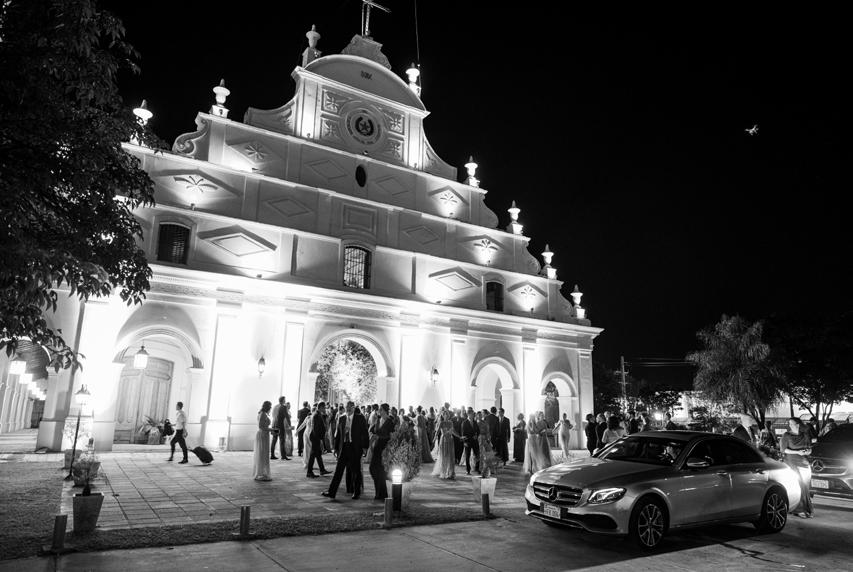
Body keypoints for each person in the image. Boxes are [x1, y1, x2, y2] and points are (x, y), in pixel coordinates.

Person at [322, 401, 370, 500]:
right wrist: (336, 448)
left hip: (354, 448)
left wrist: (365, 447)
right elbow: (338, 435)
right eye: (346, 407)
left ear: (353, 408)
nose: (348, 408)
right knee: (338, 471)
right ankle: (331, 492)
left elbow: (365, 433)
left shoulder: (360, 418)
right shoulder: (341, 418)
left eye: (350, 407)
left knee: (356, 471)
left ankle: (356, 492)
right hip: (343, 448)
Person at [780, 417, 814, 518]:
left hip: (804, 462)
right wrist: (797, 452)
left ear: (798, 425)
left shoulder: (805, 435)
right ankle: (798, 510)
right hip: (791, 462)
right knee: (798, 485)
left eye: (792, 423)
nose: (790, 425)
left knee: (805, 486)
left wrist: (807, 452)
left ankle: (806, 508)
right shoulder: (786, 435)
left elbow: (810, 448)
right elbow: (783, 450)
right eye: (789, 424)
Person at [369, 403, 394, 500]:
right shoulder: (378, 420)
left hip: (384, 447)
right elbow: (374, 432)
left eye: (381, 409)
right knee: (373, 469)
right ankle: (379, 492)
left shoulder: (390, 422)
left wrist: (388, 449)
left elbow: (392, 437)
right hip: (377, 446)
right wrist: (371, 444)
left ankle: (382, 494)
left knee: (381, 471)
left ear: (385, 410)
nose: (379, 411)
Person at [306, 402, 331, 478]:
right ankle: (309, 472)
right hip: (315, 437)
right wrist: (319, 439)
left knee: (318, 454)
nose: (325, 409)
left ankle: (322, 470)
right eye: (324, 407)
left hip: (316, 437)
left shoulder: (318, 414)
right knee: (313, 454)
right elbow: (315, 429)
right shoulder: (316, 415)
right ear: (320, 407)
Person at [432, 411, 459, 479]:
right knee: (444, 456)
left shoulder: (451, 422)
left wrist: (459, 436)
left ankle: (450, 473)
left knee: (450, 456)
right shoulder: (442, 423)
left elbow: (453, 431)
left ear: (449, 415)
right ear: (443, 416)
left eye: (447, 414)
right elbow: (438, 431)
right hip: (444, 440)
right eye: (445, 415)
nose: (446, 416)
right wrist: (434, 438)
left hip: (450, 440)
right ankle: (443, 472)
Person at [253, 400, 275, 481]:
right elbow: (261, 426)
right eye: (270, 406)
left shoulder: (263, 413)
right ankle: (261, 473)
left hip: (265, 434)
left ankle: (263, 472)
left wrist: (271, 430)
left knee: (264, 453)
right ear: (267, 407)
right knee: (262, 453)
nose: (271, 407)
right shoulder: (262, 414)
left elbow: (264, 426)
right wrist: (272, 429)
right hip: (262, 435)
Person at [460, 409, 480, 475]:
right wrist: (464, 442)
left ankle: (477, 468)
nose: (473, 415)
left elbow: (478, 431)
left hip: (475, 441)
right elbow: (463, 434)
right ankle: (468, 470)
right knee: (467, 456)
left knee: (477, 455)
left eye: (473, 414)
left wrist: (477, 436)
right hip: (468, 441)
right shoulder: (464, 423)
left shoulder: (475, 422)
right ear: (468, 414)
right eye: (472, 414)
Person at [273, 396, 291, 460]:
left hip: (275, 425)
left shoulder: (275, 407)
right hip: (280, 426)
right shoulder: (283, 407)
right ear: (283, 400)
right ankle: (283, 456)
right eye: (284, 399)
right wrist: (290, 425)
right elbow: (287, 416)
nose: (285, 400)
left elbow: (273, 416)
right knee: (282, 440)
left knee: (274, 440)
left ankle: (272, 455)